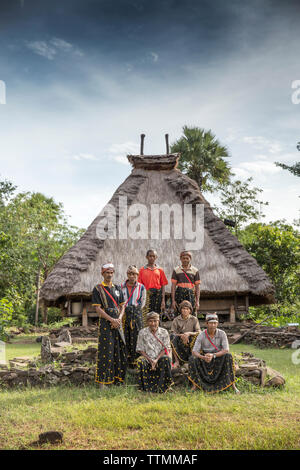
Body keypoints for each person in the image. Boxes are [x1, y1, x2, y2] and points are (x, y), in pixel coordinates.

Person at [91, 263, 127, 388]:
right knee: (106, 351)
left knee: (119, 349)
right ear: (102, 273)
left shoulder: (117, 288)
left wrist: (119, 319)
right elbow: (98, 309)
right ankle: (103, 382)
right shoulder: (97, 289)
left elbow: (122, 306)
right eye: (107, 272)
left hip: (118, 322)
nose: (109, 275)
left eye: (111, 272)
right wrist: (111, 320)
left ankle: (117, 380)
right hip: (106, 323)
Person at [188, 313, 239, 393]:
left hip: (218, 356)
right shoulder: (201, 335)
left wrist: (214, 355)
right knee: (192, 359)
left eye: (215, 323)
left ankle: (233, 385)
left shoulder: (222, 333)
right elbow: (194, 351)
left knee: (228, 356)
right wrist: (203, 357)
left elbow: (226, 350)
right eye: (211, 323)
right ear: (206, 324)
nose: (213, 325)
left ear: (217, 324)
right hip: (205, 357)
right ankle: (195, 385)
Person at [136, 311, 174, 393]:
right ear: (147, 322)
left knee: (166, 359)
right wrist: (150, 360)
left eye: (155, 321)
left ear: (158, 321)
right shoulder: (142, 332)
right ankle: (145, 387)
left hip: (159, 357)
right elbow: (140, 349)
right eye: (150, 321)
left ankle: (165, 386)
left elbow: (166, 348)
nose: (153, 323)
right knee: (140, 361)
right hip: (147, 357)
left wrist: (156, 360)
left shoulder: (164, 332)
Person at [121, 265, 146, 369]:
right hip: (125, 313)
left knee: (137, 335)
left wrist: (136, 310)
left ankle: (137, 361)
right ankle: (127, 361)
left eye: (134, 274)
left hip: (137, 312)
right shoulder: (121, 287)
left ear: (137, 275)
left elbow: (143, 301)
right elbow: (120, 301)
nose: (132, 276)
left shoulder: (141, 287)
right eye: (130, 273)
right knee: (125, 335)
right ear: (127, 274)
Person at [138, 249, 168, 324]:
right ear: (146, 257)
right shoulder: (142, 270)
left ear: (156, 257)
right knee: (147, 315)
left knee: (157, 315)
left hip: (158, 295)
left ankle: (158, 332)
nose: (152, 258)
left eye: (153, 256)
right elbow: (140, 286)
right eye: (150, 256)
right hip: (146, 295)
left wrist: (163, 300)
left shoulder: (160, 270)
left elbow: (163, 285)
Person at [170, 300, 201, 369]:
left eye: (187, 309)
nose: (185, 310)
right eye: (183, 308)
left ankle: (193, 358)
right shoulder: (176, 320)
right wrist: (182, 336)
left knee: (197, 337)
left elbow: (199, 332)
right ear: (180, 310)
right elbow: (173, 333)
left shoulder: (194, 319)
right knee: (172, 337)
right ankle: (177, 361)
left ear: (190, 310)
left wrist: (189, 333)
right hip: (179, 340)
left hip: (190, 340)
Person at [171, 251, 200, 317]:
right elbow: (173, 286)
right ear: (180, 259)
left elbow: (197, 287)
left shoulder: (195, 270)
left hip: (191, 295)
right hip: (179, 295)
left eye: (187, 258)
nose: (185, 260)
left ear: (190, 259)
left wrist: (197, 301)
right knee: (179, 313)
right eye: (183, 258)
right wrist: (173, 300)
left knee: (191, 314)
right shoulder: (176, 270)